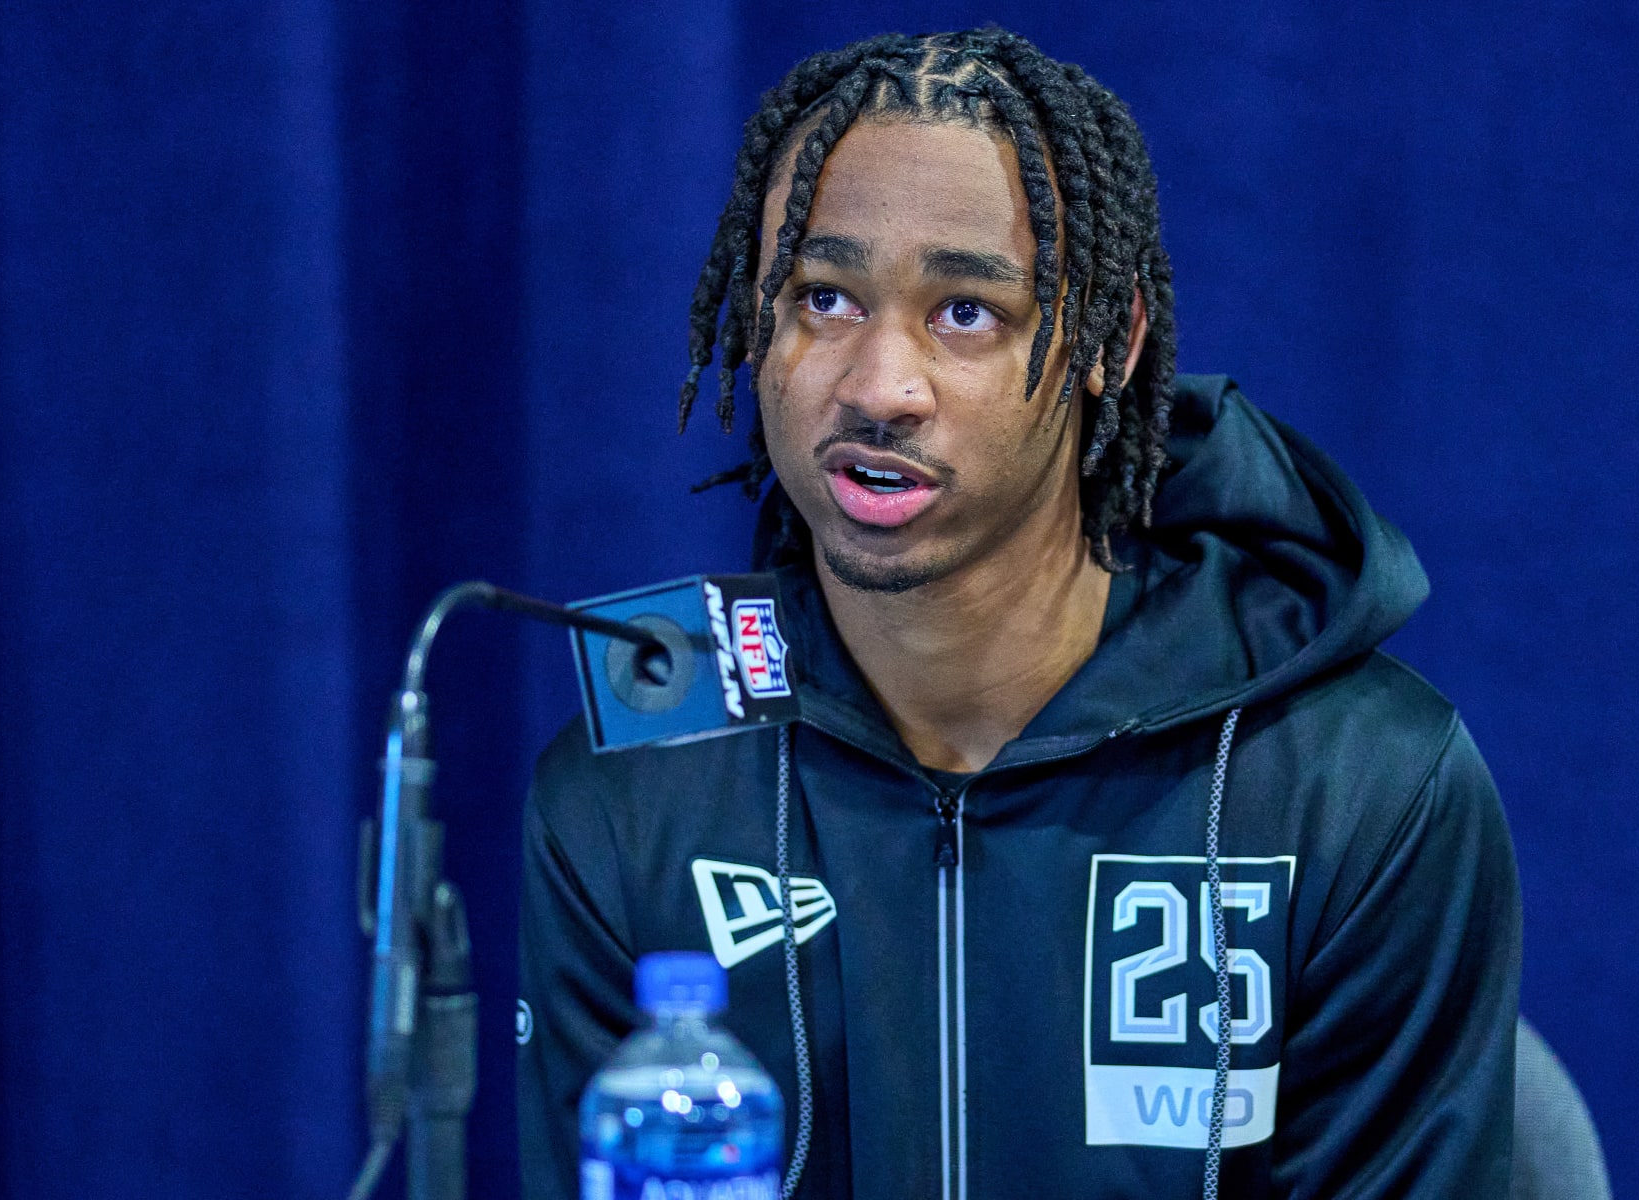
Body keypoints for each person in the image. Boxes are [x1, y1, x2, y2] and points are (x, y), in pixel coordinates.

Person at [519, 28, 1519, 1200]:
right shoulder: (635, 785)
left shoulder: (1358, 785)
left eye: (965, 312)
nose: (879, 388)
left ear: (1111, 342)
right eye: (824, 298)